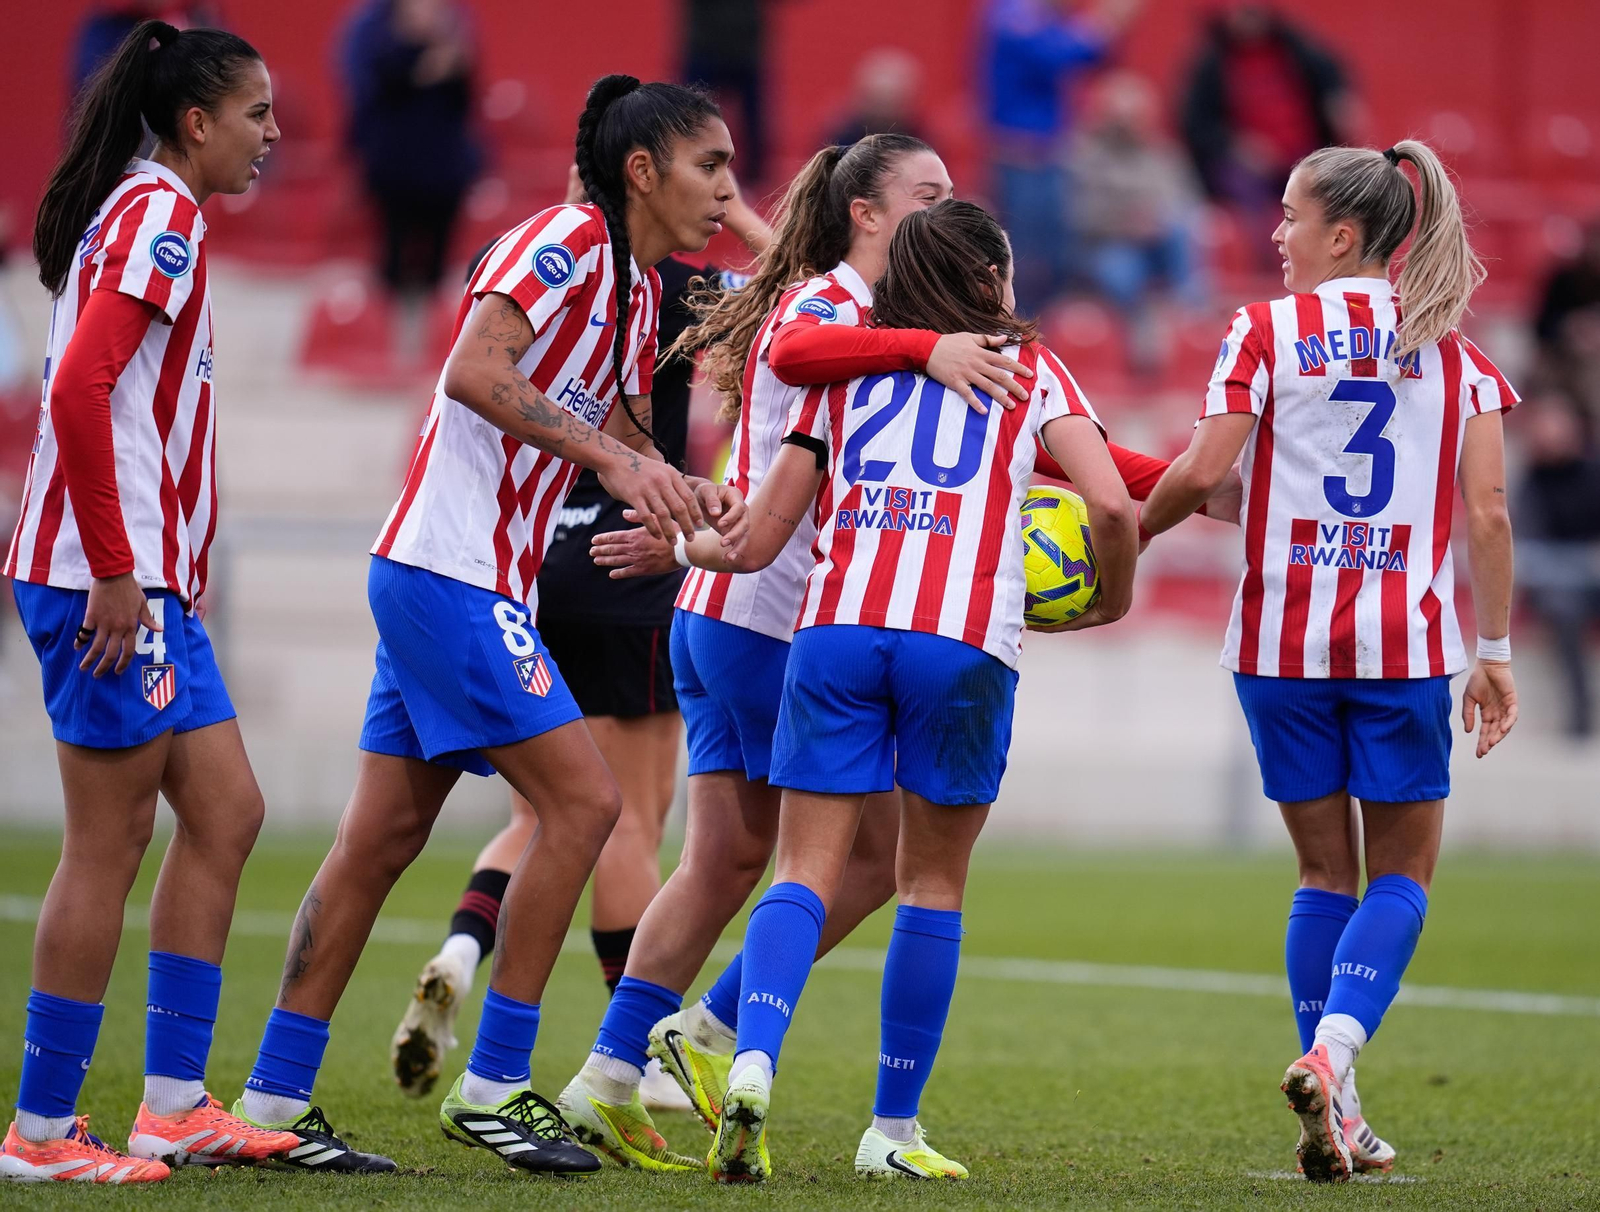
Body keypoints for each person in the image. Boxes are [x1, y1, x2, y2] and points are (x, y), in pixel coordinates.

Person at [229, 75, 742, 1178]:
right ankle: (496, 1084)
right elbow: (472, 369)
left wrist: (682, 496)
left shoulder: (639, 291)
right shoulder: (561, 237)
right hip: (449, 573)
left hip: (461, 578)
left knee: (377, 844)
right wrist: (615, 460)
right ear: (643, 170)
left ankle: (270, 1099)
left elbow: (618, 424)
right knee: (589, 804)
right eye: (711, 166)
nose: (727, 191)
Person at [552, 134, 1051, 1171]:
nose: (945, 211)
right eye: (927, 195)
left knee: (730, 857)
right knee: (864, 861)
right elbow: (790, 353)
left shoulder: (892, 318)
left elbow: (1037, 422)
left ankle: (612, 1070)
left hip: (748, 604)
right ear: (866, 213)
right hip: (777, 615)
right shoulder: (833, 307)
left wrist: (1186, 482)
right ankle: (705, 1036)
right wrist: (925, 350)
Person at [677, 198, 1138, 1183]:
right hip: (961, 645)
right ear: (985, 280)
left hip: (835, 633)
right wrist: (1109, 600)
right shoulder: (1032, 372)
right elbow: (1105, 498)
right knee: (928, 883)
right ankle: (891, 1131)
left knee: (801, 869)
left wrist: (680, 540)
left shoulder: (844, 379)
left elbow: (756, 541)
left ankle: (749, 1060)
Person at [1140, 139, 1519, 1182]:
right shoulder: (1457, 352)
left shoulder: (1260, 332)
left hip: (1278, 644)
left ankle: (1338, 1110)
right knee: (1401, 876)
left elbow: (1204, 469)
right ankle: (1334, 1057)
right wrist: (1490, 651)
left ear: (1342, 234)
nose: (1275, 234)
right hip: (1402, 651)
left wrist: (1129, 534)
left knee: (1320, 873)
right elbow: (1484, 513)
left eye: (1290, 216)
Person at [389, 168, 773, 1107]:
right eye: (707, 169)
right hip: (631, 558)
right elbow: (794, 287)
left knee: (542, 811)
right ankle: (631, 1054)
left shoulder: (549, 268)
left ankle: (459, 946)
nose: (714, 187)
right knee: (625, 820)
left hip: (540, 557)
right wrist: (746, 214)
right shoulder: (670, 286)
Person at [1, 21, 297, 1184]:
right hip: (104, 579)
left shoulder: (142, 209)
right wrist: (121, 569)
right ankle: (37, 1134)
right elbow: (77, 388)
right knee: (107, 843)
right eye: (257, 114)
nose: (272, 136)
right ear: (195, 123)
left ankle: (172, 1104)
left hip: (143, 579)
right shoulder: (162, 214)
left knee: (225, 813)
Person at [980, 0, 1141, 313]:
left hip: (1051, 155)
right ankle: (1018, 328)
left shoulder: (1047, 15)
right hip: (1021, 158)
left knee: (1055, 257)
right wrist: (1102, 23)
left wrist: (1108, 28)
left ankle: (1049, 334)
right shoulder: (1012, 11)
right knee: (1025, 256)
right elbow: (1055, 55)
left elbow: (1095, 59)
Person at [1180, 4, 1350, 267]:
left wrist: (1339, 102)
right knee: (1249, 192)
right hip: (1244, 169)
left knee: (1332, 191)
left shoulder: (1295, 50)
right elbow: (1196, 124)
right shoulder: (1211, 63)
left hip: (1304, 157)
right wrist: (1236, 146)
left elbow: (1333, 81)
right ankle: (1273, 267)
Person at [340, 0, 483, 302]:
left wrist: (451, 64)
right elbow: (372, 96)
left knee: (437, 271)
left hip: (443, 174)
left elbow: (464, 108)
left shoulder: (455, 54)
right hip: (395, 172)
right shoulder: (379, 45)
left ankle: (435, 337)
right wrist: (424, 69)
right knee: (391, 265)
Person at [1070, 71, 1206, 364]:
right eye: (1122, 117)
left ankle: (1192, 319)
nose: (1130, 124)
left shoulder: (1166, 155)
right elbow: (1080, 215)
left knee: (1183, 229)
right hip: (1111, 242)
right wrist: (1127, 223)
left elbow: (1189, 201)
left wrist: (1158, 219)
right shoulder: (1086, 156)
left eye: (1136, 116)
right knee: (1119, 271)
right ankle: (1142, 332)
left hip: (1163, 240)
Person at [1515, 389, 1600, 738]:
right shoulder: (1532, 481)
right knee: (1564, 612)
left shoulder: (1593, 474)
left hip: (1590, 578)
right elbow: (1531, 552)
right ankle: (1578, 718)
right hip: (1559, 586)